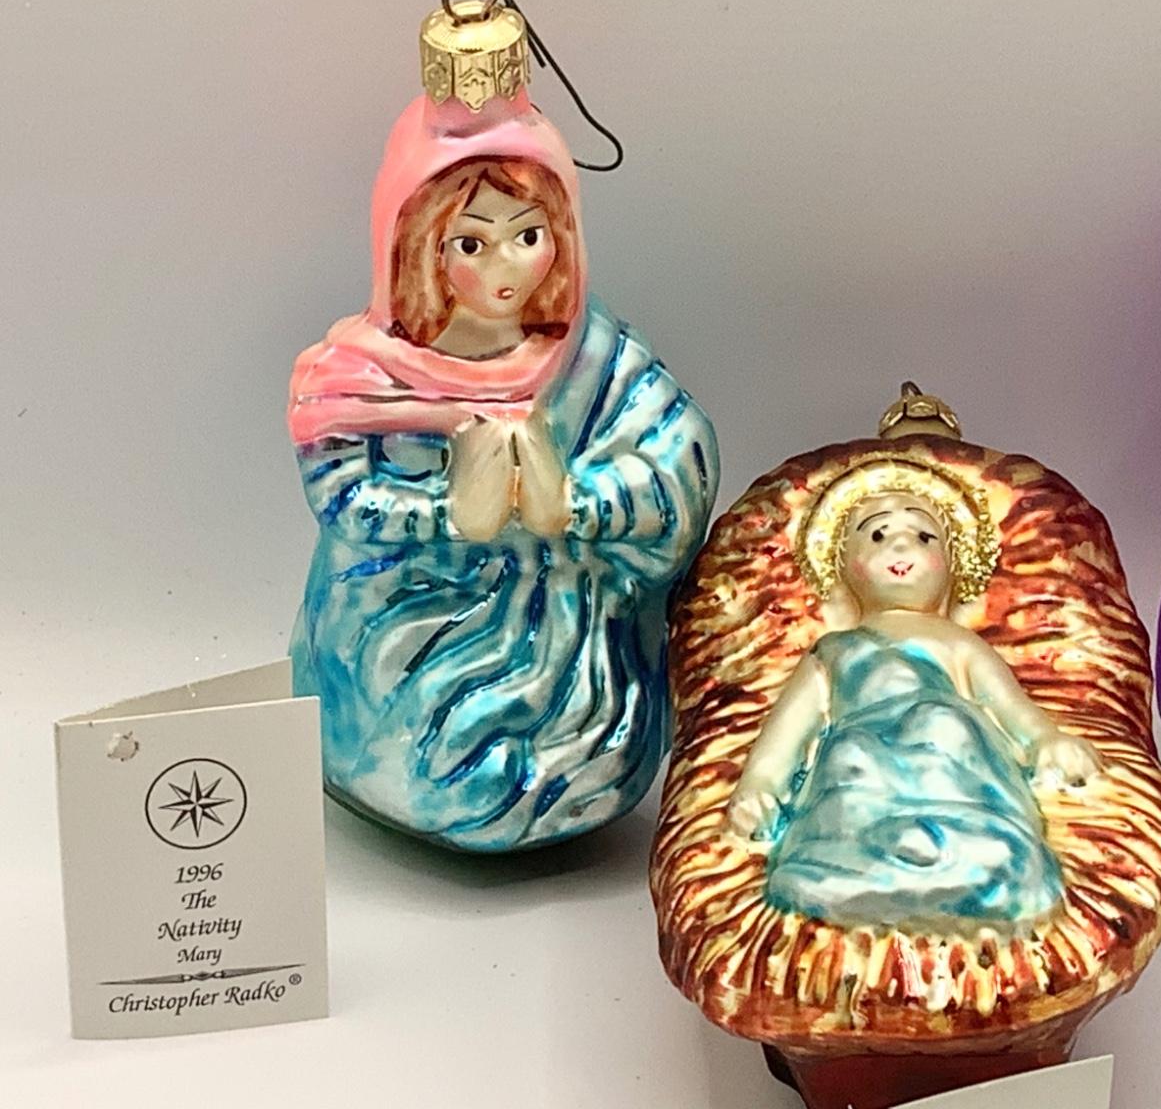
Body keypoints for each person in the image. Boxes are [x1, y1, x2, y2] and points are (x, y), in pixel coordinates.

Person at [287, 89, 718, 851]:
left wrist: (576, 505)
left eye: (529, 235)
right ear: (420, 243)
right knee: (427, 750)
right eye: (472, 243)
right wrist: (451, 516)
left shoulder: (594, 358)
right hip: (409, 629)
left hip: (575, 654)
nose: (506, 266)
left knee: (588, 738)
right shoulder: (360, 376)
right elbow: (343, 494)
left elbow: (679, 463)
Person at [727, 459, 1100, 932]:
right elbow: (787, 735)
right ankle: (853, 870)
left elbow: (1011, 709)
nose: (901, 545)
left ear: (955, 562)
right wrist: (759, 785)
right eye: (877, 534)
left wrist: (1045, 740)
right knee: (849, 751)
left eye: (924, 536)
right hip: (860, 795)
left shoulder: (959, 643)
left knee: (941, 722)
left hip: (953, 782)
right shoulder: (833, 651)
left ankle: (969, 863)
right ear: (842, 563)